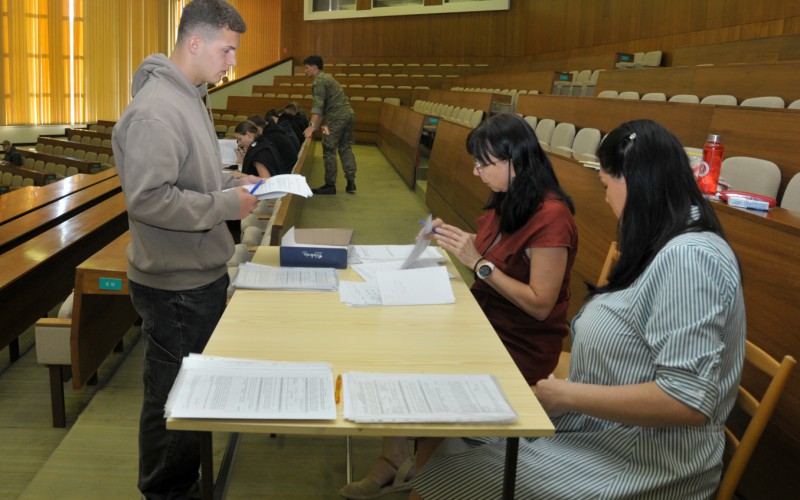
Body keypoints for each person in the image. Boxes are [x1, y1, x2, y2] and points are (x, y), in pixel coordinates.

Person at [408, 119, 746, 500]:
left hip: (644, 457)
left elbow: (687, 400)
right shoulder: (666, 242)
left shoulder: (691, 258)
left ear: (635, 181)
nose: (605, 199)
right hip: (599, 425)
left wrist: (568, 396)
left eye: (606, 186)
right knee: (448, 449)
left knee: (445, 474)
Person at [340, 113, 578, 499]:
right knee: (398, 341)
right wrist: (453, 236)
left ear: (515, 160)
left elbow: (539, 304)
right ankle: (396, 458)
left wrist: (477, 263)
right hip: (484, 320)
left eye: (484, 164)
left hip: (519, 343)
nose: (475, 171)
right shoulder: (508, 198)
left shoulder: (552, 216)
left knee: (430, 364)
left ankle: (426, 474)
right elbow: (502, 251)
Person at [110, 1, 259, 498]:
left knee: (189, 390)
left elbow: (190, 175)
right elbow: (150, 199)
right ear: (194, 43)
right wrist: (225, 204)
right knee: (172, 396)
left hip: (196, 274)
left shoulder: (191, 96)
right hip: (175, 285)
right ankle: (166, 491)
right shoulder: (156, 110)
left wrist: (233, 182)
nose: (231, 61)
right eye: (226, 49)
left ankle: (182, 482)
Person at [302, 55, 358, 195]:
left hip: (335, 118)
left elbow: (318, 108)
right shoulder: (328, 78)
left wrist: (311, 125)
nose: (305, 71)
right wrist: (315, 127)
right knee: (345, 147)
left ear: (315, 67)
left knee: (328, 148)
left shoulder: (319, 81)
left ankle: (330, 185)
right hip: (348, 115)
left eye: (307, 67)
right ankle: (350, 182)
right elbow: (322, 111)